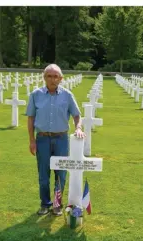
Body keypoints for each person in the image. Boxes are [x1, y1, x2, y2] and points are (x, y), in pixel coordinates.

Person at [26, 64, 85, 216]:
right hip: (42, 139)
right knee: (43, 174)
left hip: (61, 139)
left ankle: (57, 204)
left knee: (61, 173)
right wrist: (32, 140)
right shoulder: (35, 95)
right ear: (44, 77)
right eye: (49, 76)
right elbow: (31, 118)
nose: (52, 79)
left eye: (55, 76)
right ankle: (45, 204)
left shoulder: (67, 95)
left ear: (61, 78)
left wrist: (78, 127)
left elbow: (77, 115)